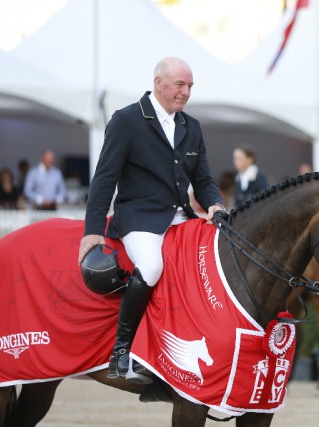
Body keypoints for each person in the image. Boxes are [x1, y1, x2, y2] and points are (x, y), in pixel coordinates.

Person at [77, 57, 225, 384]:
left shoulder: (192, 126)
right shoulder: (127, 120)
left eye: (190, 87)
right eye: (179, 85)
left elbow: (203, 179)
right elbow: (104, 178)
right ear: (159, 82)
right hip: (138, 217)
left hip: (180, 217)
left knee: (209, 263)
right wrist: (92, 231)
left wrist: (215, 204)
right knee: (153, 266)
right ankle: (121, 352)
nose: (185, 92)